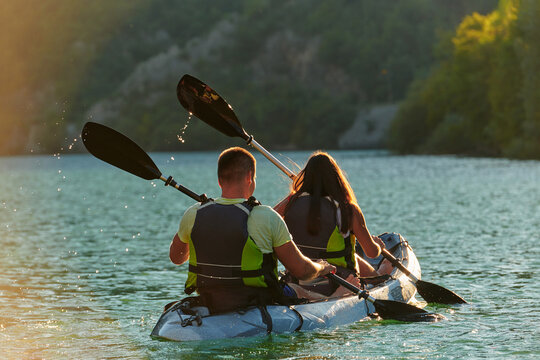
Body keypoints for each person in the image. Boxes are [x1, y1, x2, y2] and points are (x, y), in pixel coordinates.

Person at [169, 147, 336, 314]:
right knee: (299, 290)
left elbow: (176, 258)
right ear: (250, 177)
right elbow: (302, 271)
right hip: (257, 299)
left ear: (219, 180)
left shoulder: (194, 213)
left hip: (209, 297)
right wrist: (322, 268)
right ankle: (341, 295)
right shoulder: (266, 216)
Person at [274, 151, 391, 296]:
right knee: (350, 254)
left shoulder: (291, 204)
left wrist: (295, 194)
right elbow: (372, 253)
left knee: (351, 254)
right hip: (338, 282)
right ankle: (378, 275)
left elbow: (269, 219)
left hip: (298, 279)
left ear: (306, 177)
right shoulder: (348, 209)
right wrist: (378, 246)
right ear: (337, 178)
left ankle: (374, 275)